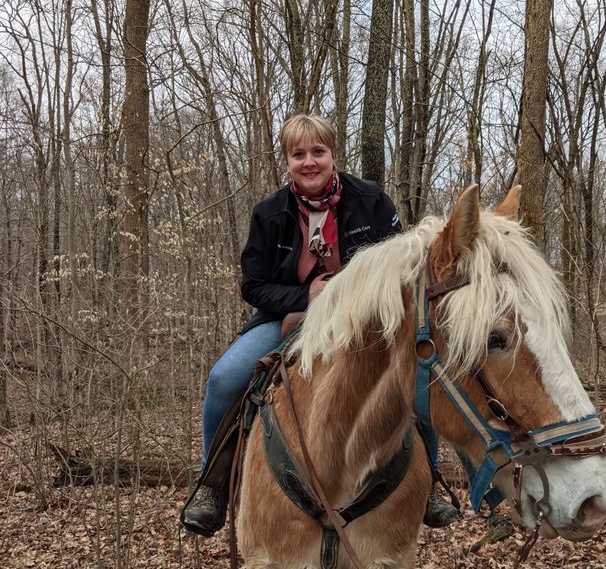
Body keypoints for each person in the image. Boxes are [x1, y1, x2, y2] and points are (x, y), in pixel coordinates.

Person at [182, 114, 458, 535]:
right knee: (223, 379)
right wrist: (305, 296)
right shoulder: (269, 214)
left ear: (332, 154)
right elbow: (253, 285)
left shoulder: (371, 201)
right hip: (285, 319)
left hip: (364, 321)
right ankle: (212, 486)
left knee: (416, 368)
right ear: (287, 161)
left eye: (318, 152)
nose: (309, 162)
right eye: (298, 154)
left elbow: (404, 267)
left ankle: (432, 481)